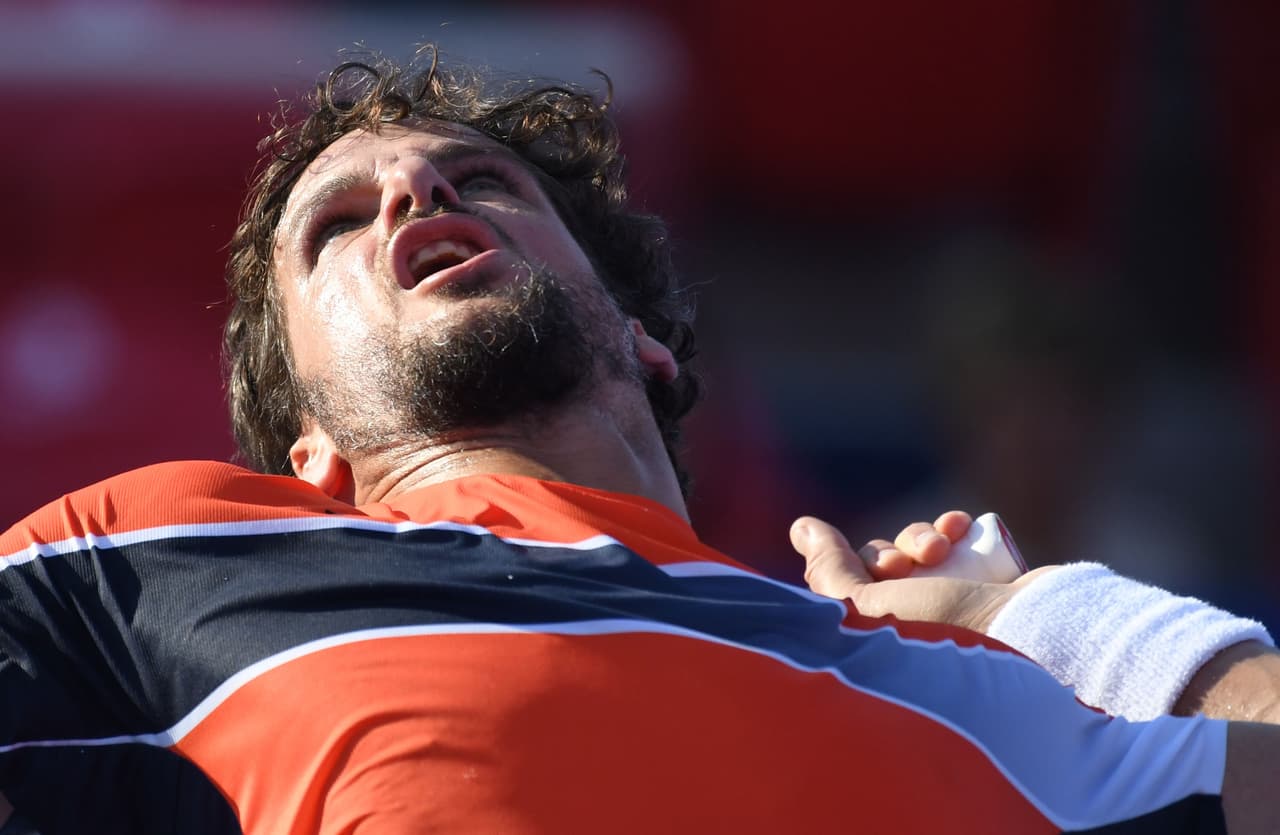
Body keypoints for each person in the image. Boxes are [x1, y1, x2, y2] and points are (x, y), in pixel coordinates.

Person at [1, 46, 1278, 834]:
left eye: (484, 181)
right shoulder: (158, 565)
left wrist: (1050, 622)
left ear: (643, 334)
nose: (416, 191)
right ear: (309, 448)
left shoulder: (955, 688)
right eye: (337, 222)